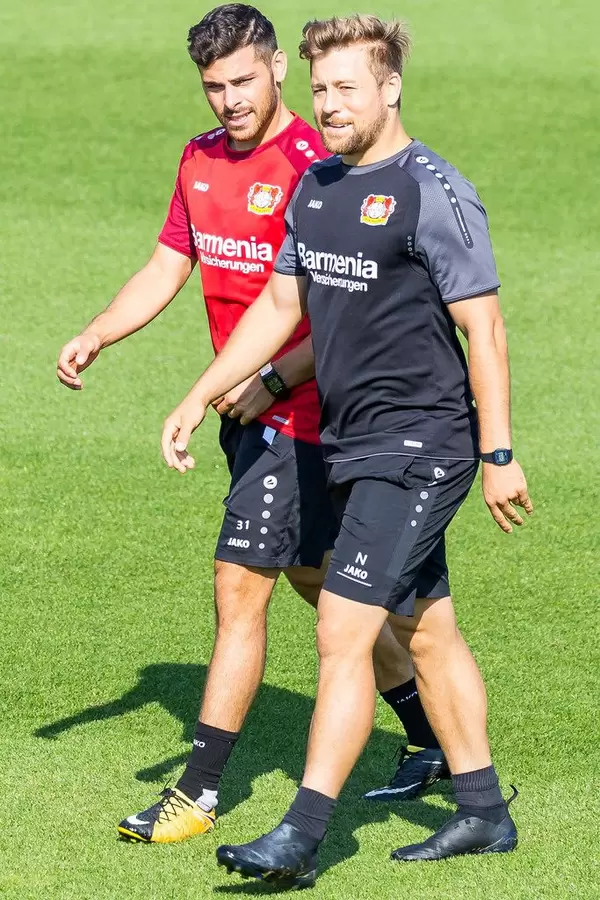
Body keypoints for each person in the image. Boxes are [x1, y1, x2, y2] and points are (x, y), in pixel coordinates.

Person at [160, 13, 533, 887]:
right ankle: (483, 812)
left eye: (346, 88)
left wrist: (499, 453)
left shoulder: (431, 189)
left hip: (423, 443)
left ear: (390, 87)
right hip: (352, 442)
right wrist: (195, 393)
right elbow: (282, 311)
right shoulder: (319, 188)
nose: (328, 106)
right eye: (321, 89)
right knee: (425, 629)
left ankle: (300, 835)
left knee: (343, 629)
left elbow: (485, 330)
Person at [56, 5, 442, 846]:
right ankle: (430, 731)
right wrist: (99, 333)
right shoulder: (199, 159)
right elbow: (170, 260)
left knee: (240, 588)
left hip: (308, 415)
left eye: (243, 81)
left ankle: (197, 792)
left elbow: (336, 307)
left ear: (275, 69)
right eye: (214, 87)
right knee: (328, 583)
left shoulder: (318, 167)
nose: (230, 100)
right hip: (250, 408)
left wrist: (268, 377)